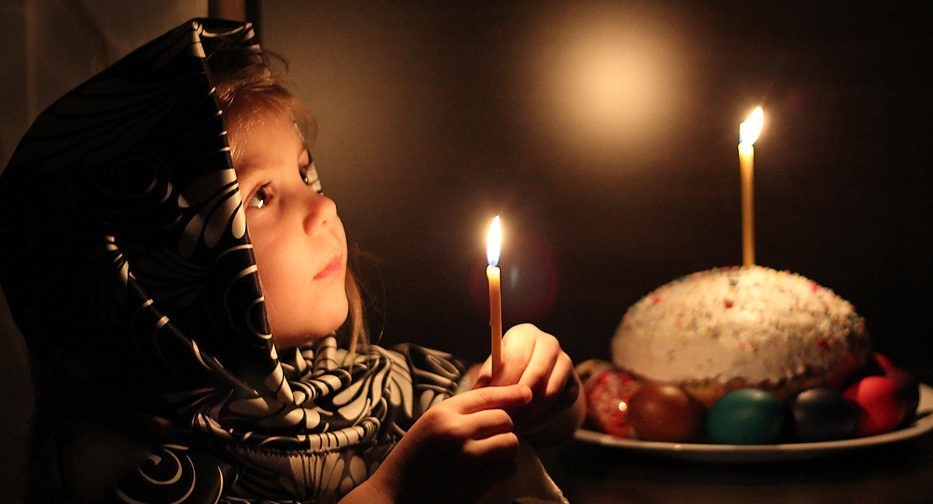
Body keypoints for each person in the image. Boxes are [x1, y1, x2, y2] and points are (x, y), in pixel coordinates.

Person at [0, 18, 583, 503]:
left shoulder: (380, 385)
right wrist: (395, 491)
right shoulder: (140, 473)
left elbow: (561, 424)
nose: (324, 206)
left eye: (305, 172)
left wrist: (539, 383)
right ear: (156, 274)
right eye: (260, 196)